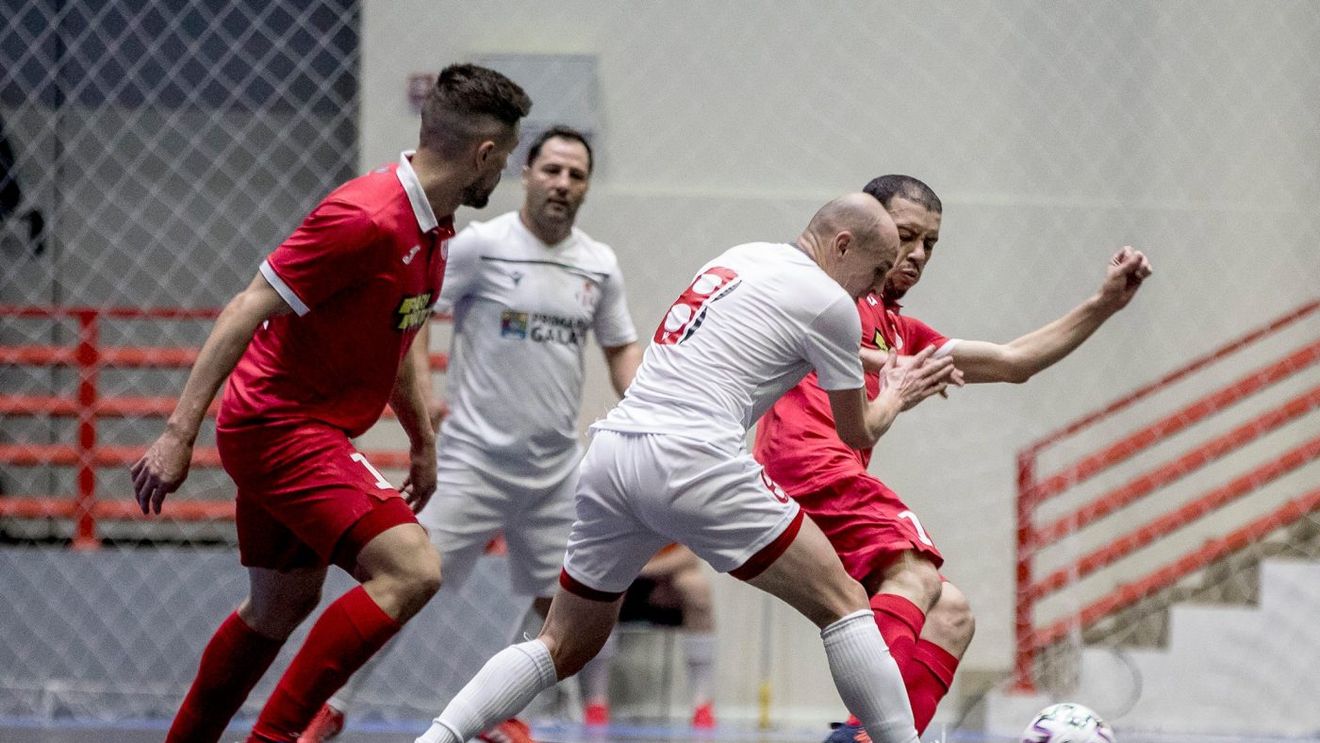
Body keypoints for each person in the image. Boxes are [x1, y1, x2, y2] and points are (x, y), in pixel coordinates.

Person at [413, 192, 962, 743]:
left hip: (613, 452)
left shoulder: (741, 256)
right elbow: (858, 430)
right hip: (693, 455)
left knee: (561, 643)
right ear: (843, 245)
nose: (875, 288)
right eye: (876, 270)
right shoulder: (830, 302)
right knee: (845, 603)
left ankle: (436, 738)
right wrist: (897, 389)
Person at [129, 63, 531, 743]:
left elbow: (399, 337)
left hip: (302, 427)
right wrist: (177, 433)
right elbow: (245, 306)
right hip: (279, 425)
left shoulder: (433, 229)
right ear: (484, 154)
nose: (505, 176)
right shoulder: (367, 216)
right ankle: (277, 738)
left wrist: (423, 442)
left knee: (278, 606)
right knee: (412, 568)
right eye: (508, 160)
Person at [753, 175, 1154, 743]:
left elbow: (1014, 361)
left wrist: (1104, 304)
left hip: (820, 479)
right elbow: (806, 325)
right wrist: (880, 365)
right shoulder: (829, 285)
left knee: (952, 614)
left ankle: (877, 733)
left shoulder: (901, 331)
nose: (916, 255)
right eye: (906, 236)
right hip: (808, 465)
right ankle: (868, 738)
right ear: (867, 229)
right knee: (913, 573)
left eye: (930, 244)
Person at [299, 125, 643, 743]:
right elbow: (417, 307)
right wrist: (422, 395)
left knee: (569, 601)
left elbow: (621, 351)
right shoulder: (482, 246)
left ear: (587, 187)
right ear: (527, 174)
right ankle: (332, 705)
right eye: (552, 170)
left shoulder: (599, 264)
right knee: (402, 584)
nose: (562, 183)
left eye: (576, 174)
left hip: (555, 470)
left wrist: (650, 412)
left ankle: (499, 711)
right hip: (472, 460)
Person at [578, 544, 718, 728]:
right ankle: (595, 703)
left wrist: (646, 570)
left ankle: (702, 705)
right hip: (616, 574)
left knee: (697, 588)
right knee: (601, 589)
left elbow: (690, 555)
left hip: (663, 580)